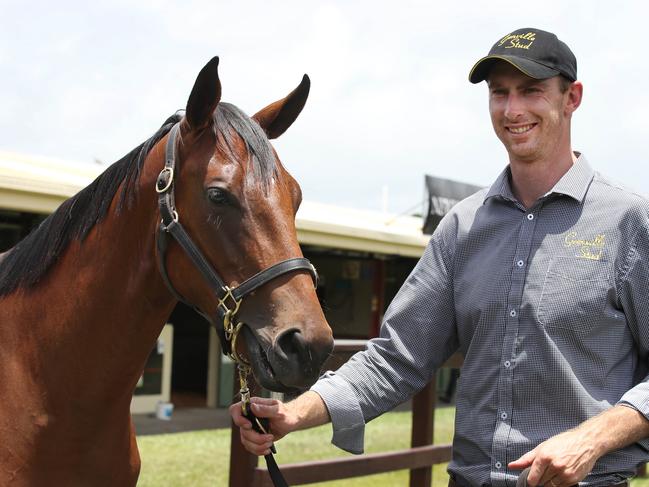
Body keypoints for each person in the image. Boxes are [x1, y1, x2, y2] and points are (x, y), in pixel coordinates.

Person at [231, 27, 649, 487]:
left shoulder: (628, 221)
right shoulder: (462, 228)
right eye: (499, 93)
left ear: (572, 98)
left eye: (531, 91)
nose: (513, 110)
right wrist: (293, 414)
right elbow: (395, 358)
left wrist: (592, 439)